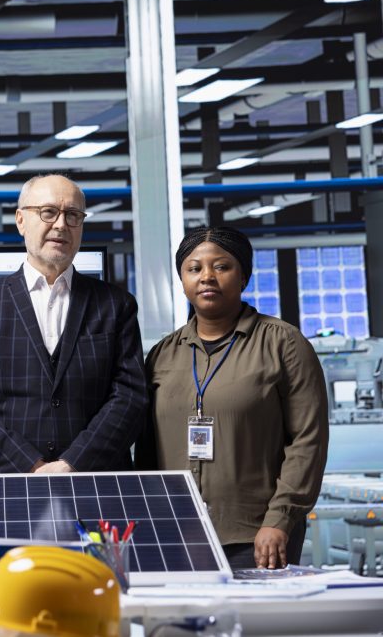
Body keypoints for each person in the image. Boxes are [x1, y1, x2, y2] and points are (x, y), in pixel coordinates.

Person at [136, 226, 328, 569]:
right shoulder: (163, 354)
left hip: (256, 534)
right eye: (194, 268)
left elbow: (307, 441)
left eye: (221, 267)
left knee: (257, 624)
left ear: (244, 276)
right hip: (179, 532)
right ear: (182, 280)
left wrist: (279, 519)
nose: (207, 277)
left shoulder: (283, 344)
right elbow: (148, 450)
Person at [0, 174, 147, 474]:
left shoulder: (116, 305)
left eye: (73, 215)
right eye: (48, 212)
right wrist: (31, 466)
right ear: (20, 221)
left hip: (96, 483)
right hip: (9, 485)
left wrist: (72, 463)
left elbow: (130, 398)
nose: (61, 225)